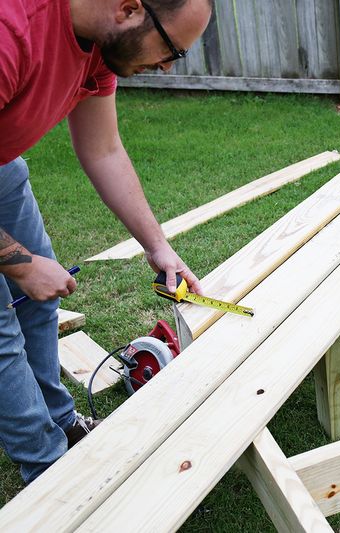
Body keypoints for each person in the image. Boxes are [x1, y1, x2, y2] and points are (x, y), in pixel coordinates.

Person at [0, 0, 212, 483]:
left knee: (37, 308)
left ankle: (60, 421)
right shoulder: (12, 31)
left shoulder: (100, 46)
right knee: (1, 330)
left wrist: (157, 245)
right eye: (171, 50)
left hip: (1, 167)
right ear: (130, 9)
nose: (165, 66)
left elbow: (104, 148)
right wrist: (21, 264)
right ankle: (49, 471)